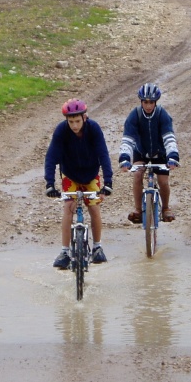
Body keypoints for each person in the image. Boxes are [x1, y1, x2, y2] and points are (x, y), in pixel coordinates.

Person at [45, 98, 113, 269]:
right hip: (70, 175)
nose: (74, 125)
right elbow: (51, 156)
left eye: (77, 121)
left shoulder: (94, 129)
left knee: (94, 208)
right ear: (66, 121)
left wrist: (108, 182)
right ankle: (65, 251)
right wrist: (50, 184)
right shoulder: (61, 131)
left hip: (91, 175)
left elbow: (103, 154)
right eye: (70, 122)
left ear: (84, 117)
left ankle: (97, 246)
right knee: (68, 208)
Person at [118, 83, 180, 223]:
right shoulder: (135, 115)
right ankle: (138, 210)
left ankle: (165, 208)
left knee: (163, 181)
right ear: (141, 101)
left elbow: (169, 137)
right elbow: (128, 138)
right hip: (141, 152)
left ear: (155, 102)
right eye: (145, 102)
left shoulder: (162, 115)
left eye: (151, 102)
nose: (148, 105)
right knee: (138, 174)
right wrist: (124, 158)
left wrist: (173, 156)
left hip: (160, 154)